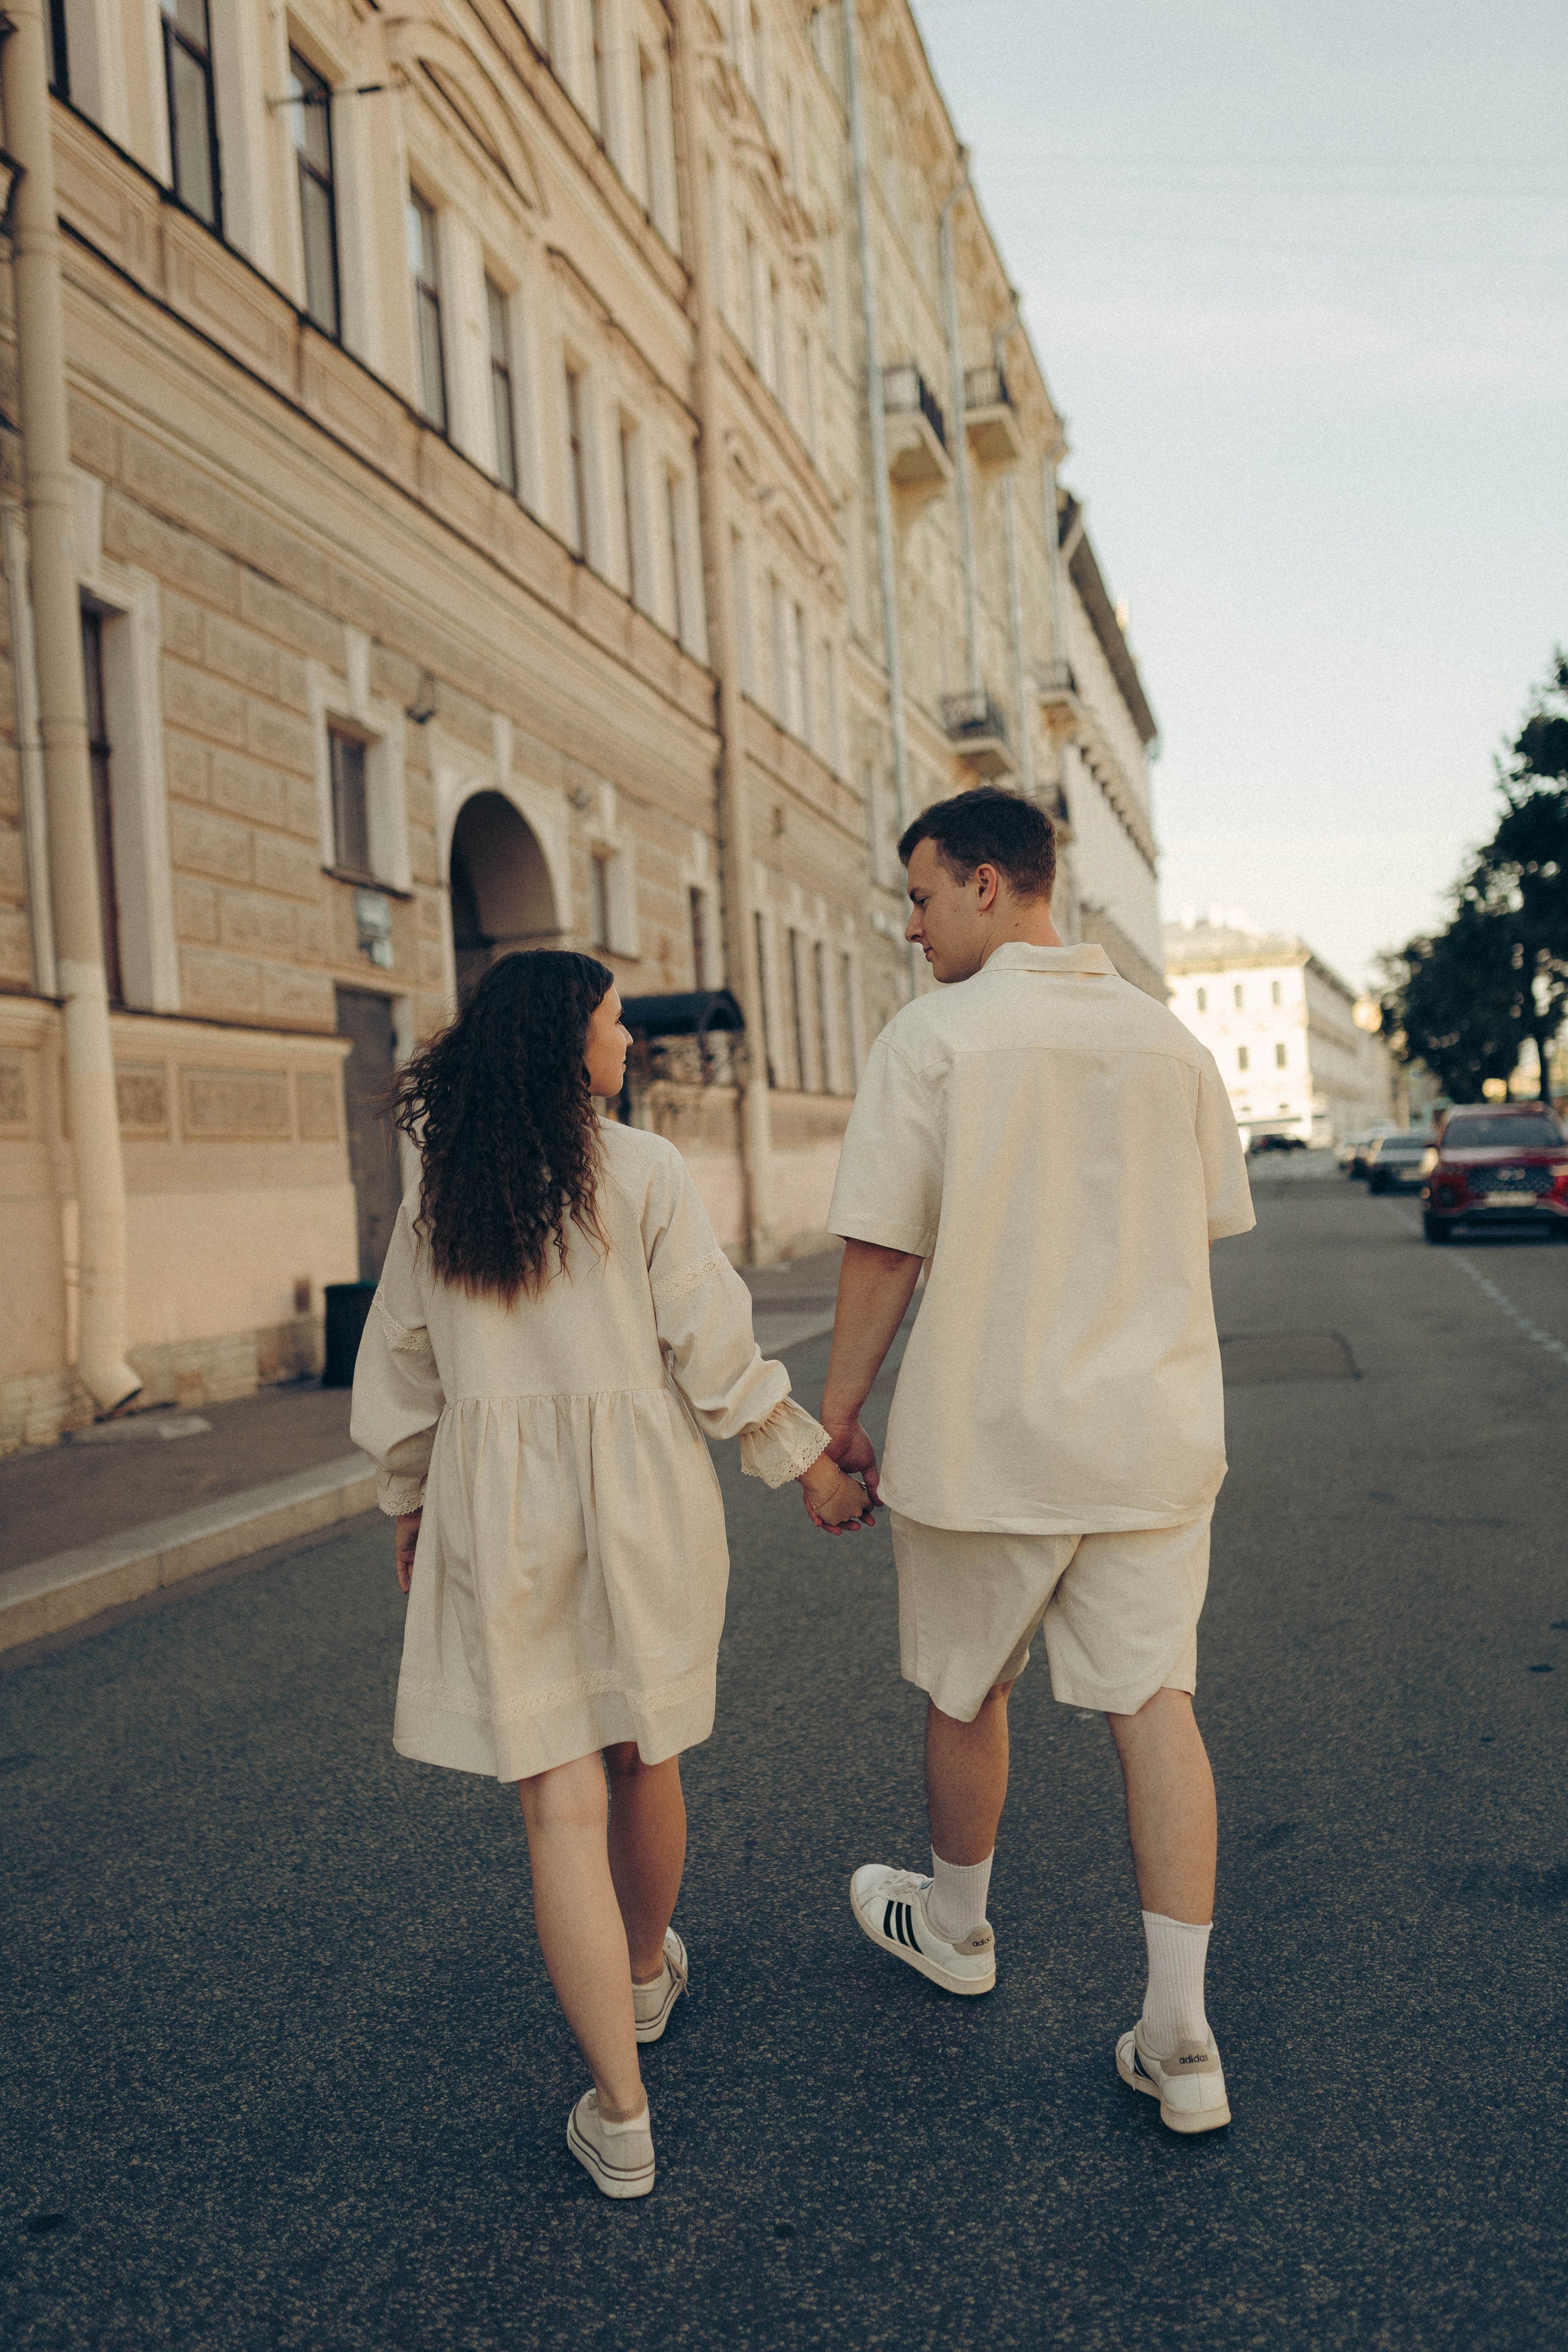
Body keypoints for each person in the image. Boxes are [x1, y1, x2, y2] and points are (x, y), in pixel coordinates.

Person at [350, 951, 873, 2199]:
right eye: (611, 1021)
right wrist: (804, 1458)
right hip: (640, 1500)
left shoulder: (442, 1186)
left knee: (555, 1811)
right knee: (646, 1751)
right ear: (563, 1042)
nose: (627, 1039)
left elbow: (405, 1367)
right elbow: (712, 1347)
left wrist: (408, 1501)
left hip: (500, 1508)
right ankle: (642, 1971)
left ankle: (620, 2114)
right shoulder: (638, 1170)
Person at [815, 788, 1254, 2135]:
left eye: (924, 896)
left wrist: (834, 1424)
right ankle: (1180, 2037)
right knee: (1154, 1706)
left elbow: (884, 1248)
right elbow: (1205, 1227)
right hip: (1149, 1440)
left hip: (987, 1438)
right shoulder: (1170, 1046)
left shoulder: (935, 1038)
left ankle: (954, 1927)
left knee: (965, 1692)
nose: (909, 925)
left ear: (994, 885)